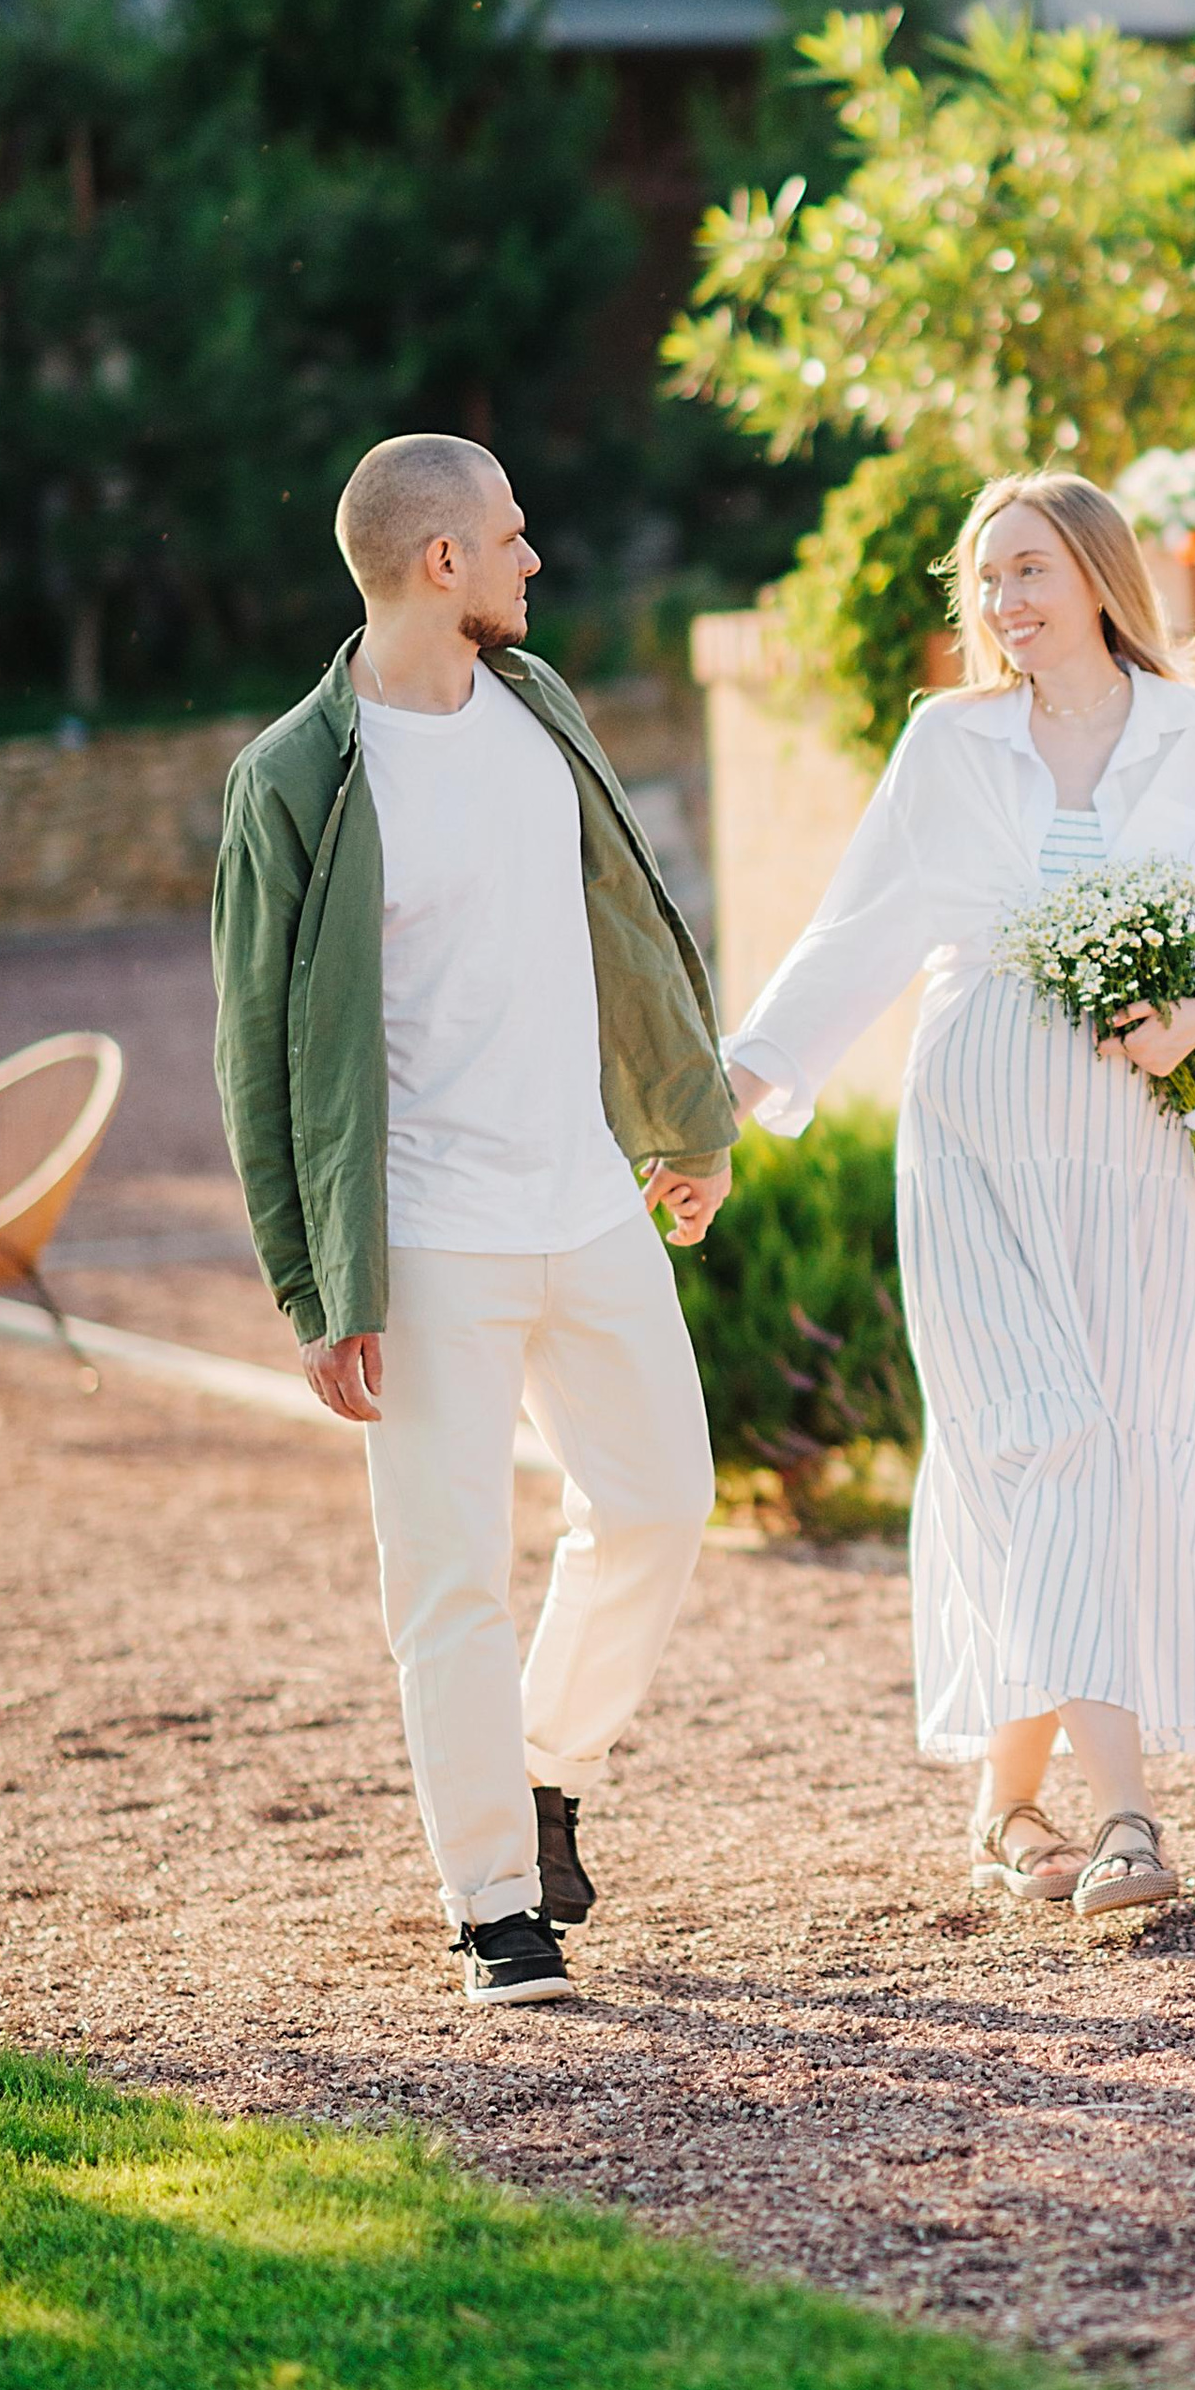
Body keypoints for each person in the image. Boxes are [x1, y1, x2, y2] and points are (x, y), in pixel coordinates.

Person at [720, 469, 1195, 1919]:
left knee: (1110, 1446)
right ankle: (1127, 1823)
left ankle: (1004, 1814)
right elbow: (855, 931)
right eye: (986, 581)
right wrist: (726, 1092)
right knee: (1045, 1437)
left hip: (1127, 1144)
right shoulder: (949, 741)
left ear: (1100, 576)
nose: (1004, 603)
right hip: (975, 1130)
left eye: (1030, 571)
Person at [212, 435, 739, 2008]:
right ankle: (495, 1903)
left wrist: (683, 1117)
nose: (532, 561)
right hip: (426, 1232)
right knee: (448, 1577)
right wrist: (318, 1284)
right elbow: (258, 1043)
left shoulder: (536, 711)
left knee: (658, 1502)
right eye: (510, 538)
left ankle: (543, 1764)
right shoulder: (295, 778)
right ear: (440, 563)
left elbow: (628, 928)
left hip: (586, 1196)